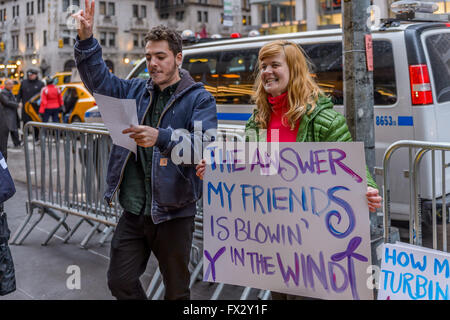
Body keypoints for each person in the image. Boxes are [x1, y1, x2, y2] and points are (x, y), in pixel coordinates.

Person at [195, 40, 382, 299]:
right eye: (263, 66)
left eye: (275, 65)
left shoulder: (325, 120)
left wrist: (368, 188)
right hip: (274, 241)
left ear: (293, 69)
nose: (267, 71)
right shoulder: (257, 120)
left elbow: (352, 169)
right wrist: (217, 169)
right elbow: (248, 169)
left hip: (314, 244)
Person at [73, 0, 217, 300]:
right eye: (149, 56)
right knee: (119, 281)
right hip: (134, 209)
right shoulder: (135, 90)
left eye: (161, 57)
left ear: (178, 58)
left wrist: (161, 137)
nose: (153, 63)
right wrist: (87, 40)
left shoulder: (200, 99)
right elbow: (99, 81)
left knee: (177, 292)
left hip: (174, 213)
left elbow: (203, 146)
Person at [17, 69, 45, 140]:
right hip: (26, 107)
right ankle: (24, 138)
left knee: (35, 123)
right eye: (29, 75)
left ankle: (36, 138)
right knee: (25, 123)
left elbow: (43, 96)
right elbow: (19, 93)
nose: (31, 76)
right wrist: (18, 102)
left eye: (32, 75)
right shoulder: (24, 82)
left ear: (36, 75)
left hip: (36, 108)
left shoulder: (40, 83)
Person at [0, 79, 21, 147]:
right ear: (5, 85)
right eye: (9, 84)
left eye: (12, 84)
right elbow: (6, 102)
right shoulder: (3, 92)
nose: (11, 86)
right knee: (8, 130)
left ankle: (17, 143)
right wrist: (17, 105)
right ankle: (14, 143)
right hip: (7, 114)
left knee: (13, 129)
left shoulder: (9, 91)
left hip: (11, 113)